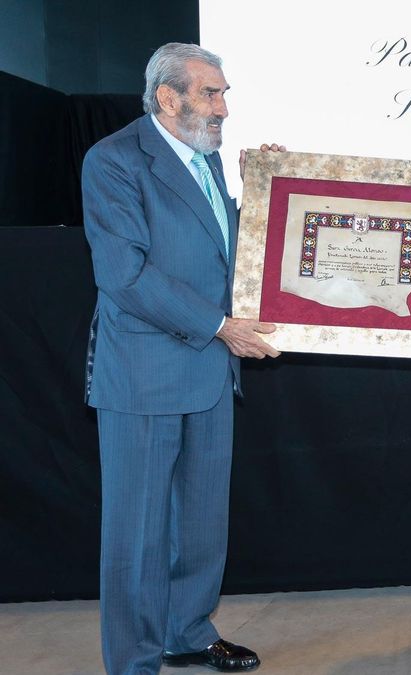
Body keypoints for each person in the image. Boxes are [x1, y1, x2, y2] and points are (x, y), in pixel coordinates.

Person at [82, 43, 282, 674]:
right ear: (167, 98)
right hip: (144, 375)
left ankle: (187, 633)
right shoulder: (113, 159)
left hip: (209, 374)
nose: (223, 107)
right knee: (137, 538)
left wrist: (266, 193)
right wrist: (221, 327)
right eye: (210, 93)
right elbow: (126, 275)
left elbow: (213, 249)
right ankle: (135, 662)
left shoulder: (208, 159)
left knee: (199, 525)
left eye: (223, 94)